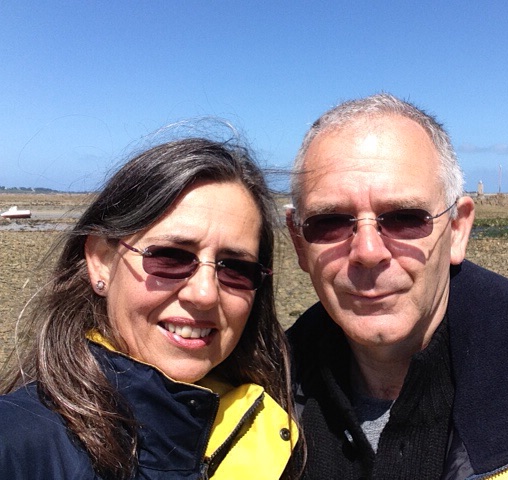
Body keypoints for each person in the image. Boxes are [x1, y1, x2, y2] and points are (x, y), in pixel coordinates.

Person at [285, 93, 508, 479]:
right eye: (329, 222)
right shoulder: (257, 408)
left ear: (457, 230)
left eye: (404, 217)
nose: (368, 252)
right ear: (299, 242)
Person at [0, 137, 299, 479]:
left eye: (235, 268)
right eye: (170, 257)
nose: (204, 294)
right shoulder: (17, 445)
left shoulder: (281, 435)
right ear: (101, 260)